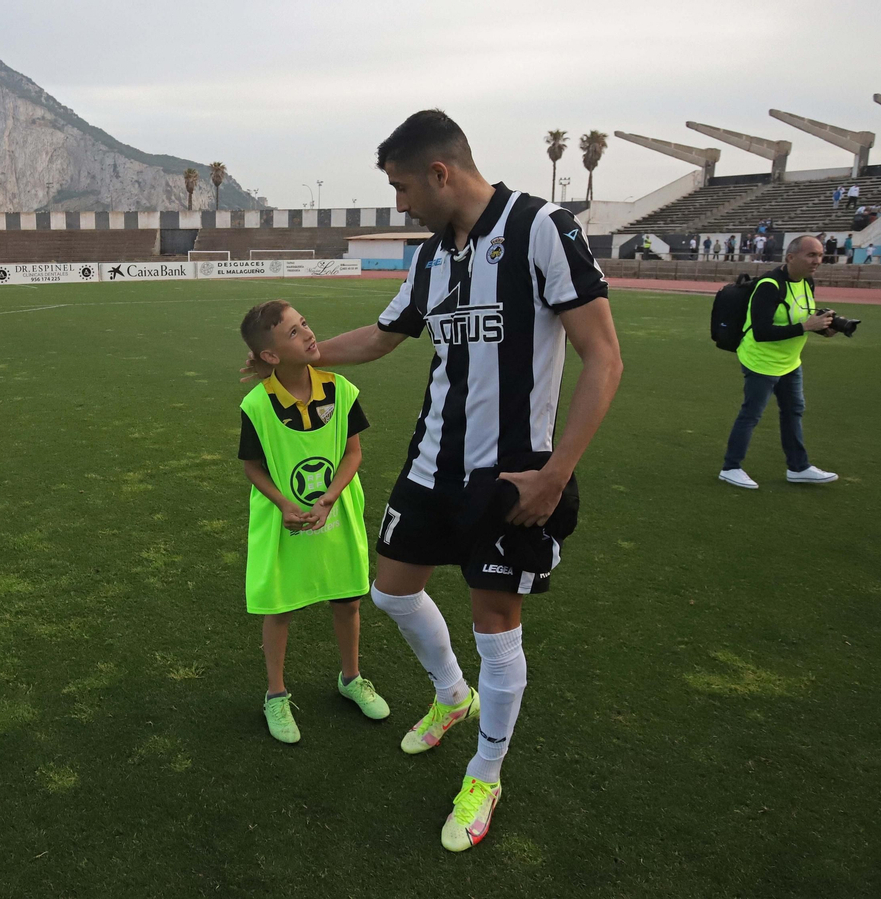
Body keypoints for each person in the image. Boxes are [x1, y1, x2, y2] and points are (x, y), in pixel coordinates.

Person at [245, 109, 622, 852]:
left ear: (439, 173)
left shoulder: (541, 228)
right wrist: (297, 359)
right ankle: (452, 695)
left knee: (495, 624)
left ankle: (486, 772)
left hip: (511, 475)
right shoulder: (431, 259)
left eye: (402, 187)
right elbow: (383, 338)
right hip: (431, 464)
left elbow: (603, 358)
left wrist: (555, 475)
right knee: (390, 591)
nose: (400, 203)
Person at [237, 300, 390, 743]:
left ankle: (351, 678)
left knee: (347, 601)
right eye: (293, 332)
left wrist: (329, 498)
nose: (307, 333)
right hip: (284, 521)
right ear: (270, 355)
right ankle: (276, 695)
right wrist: (284, 504)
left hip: (336, 514)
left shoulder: (341, 390)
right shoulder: (257, 405)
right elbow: (252, 467)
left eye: (304, 324)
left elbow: (353, 453)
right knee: (280, 607)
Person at [718, 236, 840, 489]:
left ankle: (798, 467)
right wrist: (806, 327)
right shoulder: (769, 286)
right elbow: (762, 332)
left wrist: (822, 328)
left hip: (790, 362)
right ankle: (730, 468)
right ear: (790, 257)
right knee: (751, 414)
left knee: (793, 411)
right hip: (761, 361)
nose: (817, 260)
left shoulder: (807, 282)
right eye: (811, 255)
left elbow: (798, 318)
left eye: (820, 255)